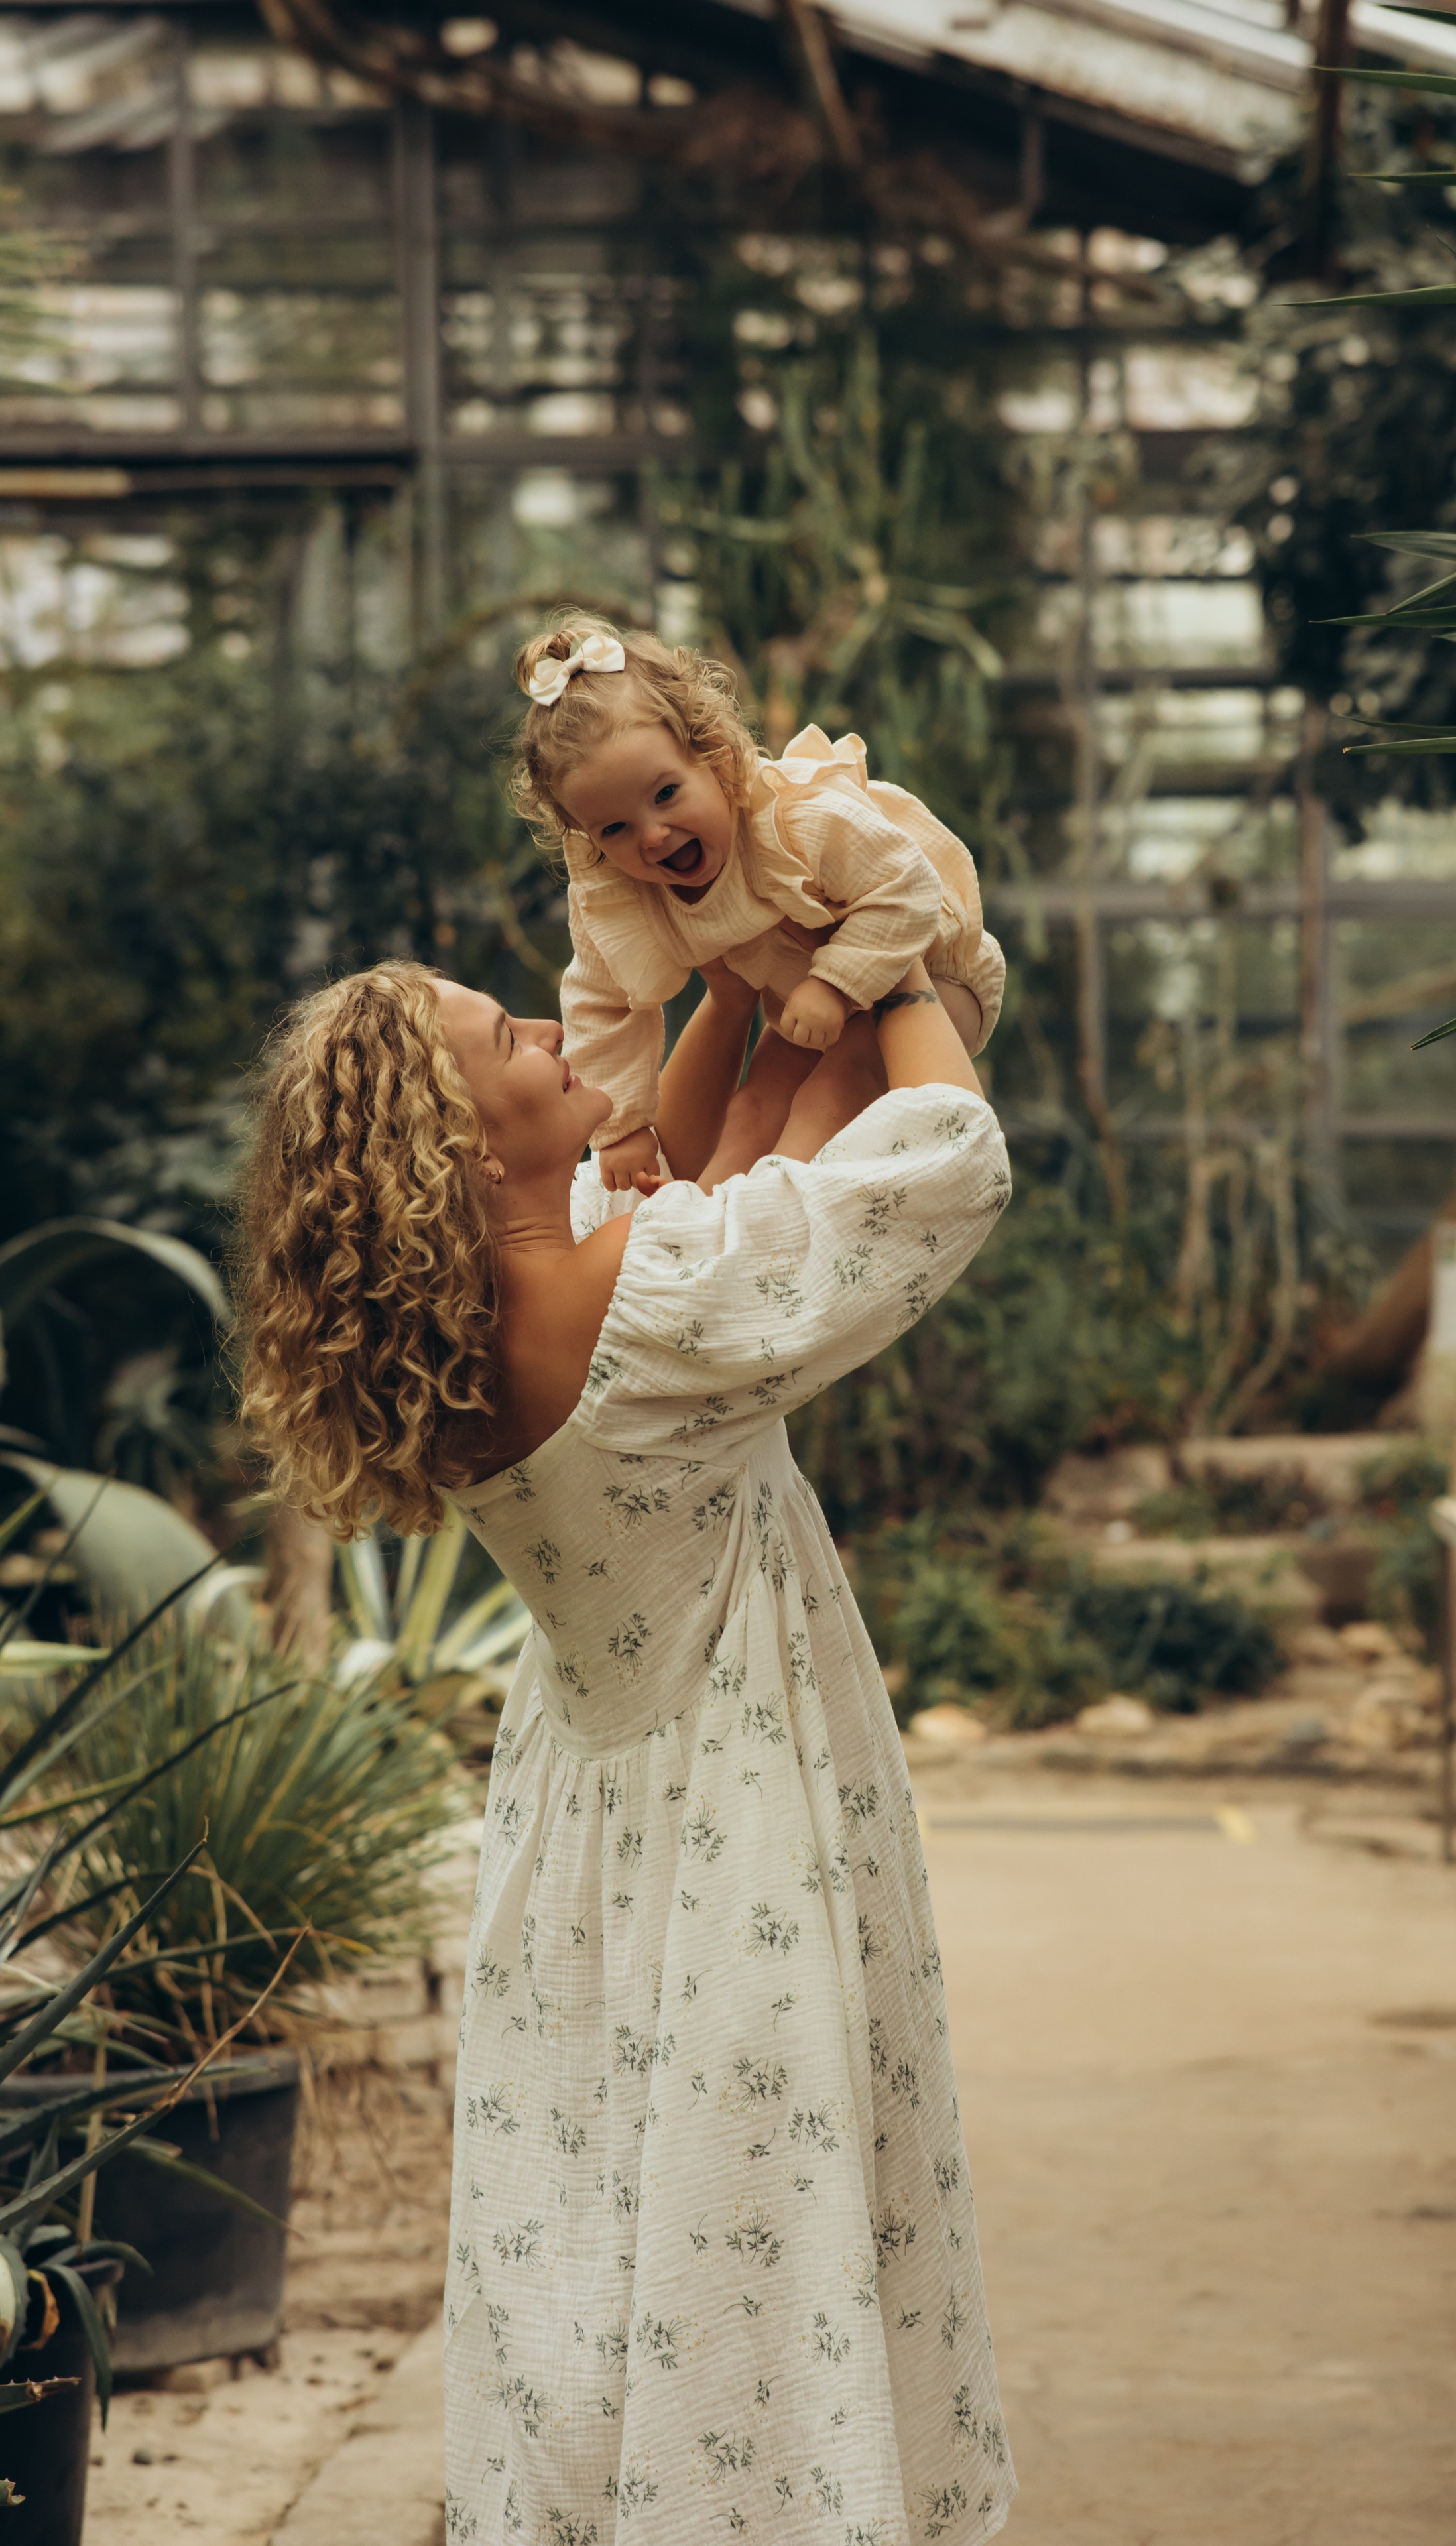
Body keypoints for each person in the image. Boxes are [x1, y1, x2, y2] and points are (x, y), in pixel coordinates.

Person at [237, 953, 1017, 2546]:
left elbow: (750, 1167)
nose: (546, 1027)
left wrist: (738, 982)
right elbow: (940, 1156)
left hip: (589, 1813)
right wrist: (895, 953)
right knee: (753, 2233)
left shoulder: (496, 1321)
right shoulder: (643, 1297)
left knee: (611, 2236)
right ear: (457, 1141)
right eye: (509, 1037)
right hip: (733, 1807)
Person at [511, 613, 1006, 1189]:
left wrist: (836, 983)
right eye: (614, 829)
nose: (651, 835)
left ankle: (768, 1215)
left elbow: (909, 886)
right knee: (752, 1109)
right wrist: (623, 1127)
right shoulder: (616, 892)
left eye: (666, 794)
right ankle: (698, 1225)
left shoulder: (795, 819)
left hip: (933, 975)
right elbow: (600, 1004)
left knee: (829, 1092)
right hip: (809, 1005)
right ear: (584, 837)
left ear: (716, 758)